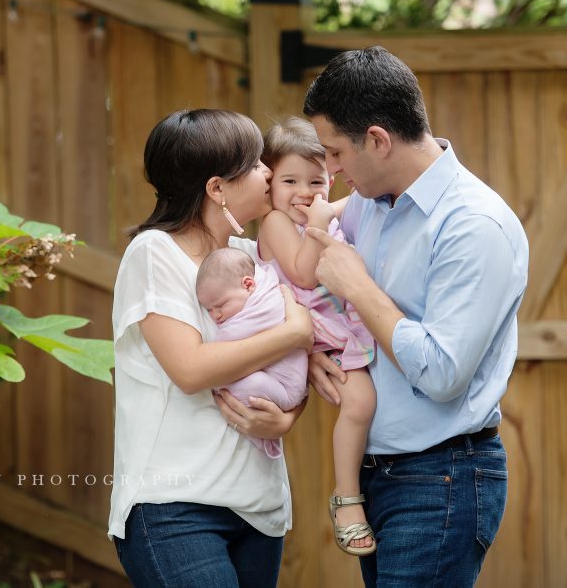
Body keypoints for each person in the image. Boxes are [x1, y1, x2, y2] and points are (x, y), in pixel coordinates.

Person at [301, 47, 529, 587]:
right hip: (378, 476)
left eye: (335, 153)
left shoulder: (473, 225)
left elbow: (444, 374)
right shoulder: (368, 203)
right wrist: (314, 352)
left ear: (377, 140)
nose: (329, 171)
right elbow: (331, 303)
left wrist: (358, 284)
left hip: (441, 478)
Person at [109, 109, 314, 588]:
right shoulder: (156, 252)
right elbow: (192, 369)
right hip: (176, 508)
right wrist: (292, 331)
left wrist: (288, 416)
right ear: (217, 187)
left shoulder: (261, 261)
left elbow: (294, 366)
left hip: (259, 509)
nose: (269, 173)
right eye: (256, 164)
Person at [256, 118, 378, 556]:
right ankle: (348, 498)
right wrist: (320, 224)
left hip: (338, 325)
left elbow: (361, 198)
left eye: (317, 180)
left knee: (368, 403)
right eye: (290, 180)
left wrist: (331, 210)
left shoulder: (321, 211)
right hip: (315, 331)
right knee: (361, 403)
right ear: (269, 184)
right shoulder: (275, 223)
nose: (305, 192)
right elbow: (304, 274)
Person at [195, 247, 308, 459]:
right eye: (208, 309)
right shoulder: (254, 282)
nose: (215, 315)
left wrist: (214, 378)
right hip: (286, 386)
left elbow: (225, 347)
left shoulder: (263, 305)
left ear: (248, 284)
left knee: (226, 383)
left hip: (286, 391)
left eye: (220, 305)